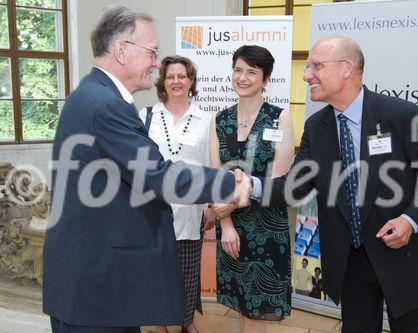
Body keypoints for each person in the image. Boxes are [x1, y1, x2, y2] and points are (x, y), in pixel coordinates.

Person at [43, 6, 250, 333]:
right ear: (121, 50)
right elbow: (161, 176)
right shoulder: (106, 104)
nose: (156, 63)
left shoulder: (95, 95)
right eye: (152, 52)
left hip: (101, 280)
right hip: (94, 289)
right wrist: (233, 183)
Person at [259, 36, 418, 332]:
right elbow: (295, 186)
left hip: (404, 255)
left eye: (316, 65)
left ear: (346, 68)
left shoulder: (400, 116)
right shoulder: (317, 126)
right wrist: (248, 187)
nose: (306, 74)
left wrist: (410, 220)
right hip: (352, 262)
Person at [209, 45, 295, 333]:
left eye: (251, 72)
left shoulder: (280, 118)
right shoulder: (219, 121)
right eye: (238, 70)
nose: (242, 77)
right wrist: (226, 224)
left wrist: (228, 208)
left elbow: (277, 183)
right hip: (231, 227)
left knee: (259, 309)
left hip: (267, 224)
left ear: (265, 79)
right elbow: (216, 178)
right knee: (243, 305)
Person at [139, 55, 212, 333]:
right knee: (156, 271)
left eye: (182, 76)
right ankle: (160, 323)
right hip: (154, 209)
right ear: (163, 81)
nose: (176, 81)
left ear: (191, 81)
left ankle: (186, 321)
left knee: (187, 271)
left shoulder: (206, 120)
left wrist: (209, 204)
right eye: (170, 76)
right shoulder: (146, 117)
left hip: (191, 209)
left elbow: (209, 164)